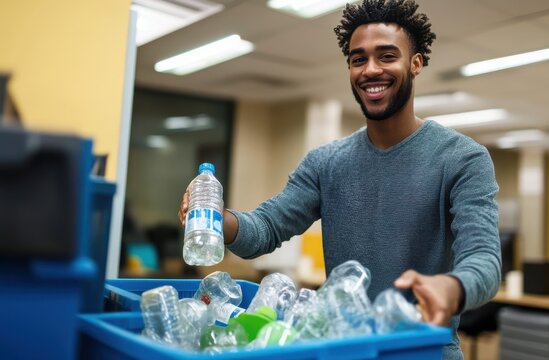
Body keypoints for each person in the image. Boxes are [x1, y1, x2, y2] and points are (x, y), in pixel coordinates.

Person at [179, 0, 501, 358]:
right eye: (358, 59)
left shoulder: (462, 158)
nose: (370, 70)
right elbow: (267, 228)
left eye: (387, 56)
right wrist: (218, 220)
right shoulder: (326, 163)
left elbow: (484, 260)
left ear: (416, 63)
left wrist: (451, 287)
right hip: (343, 349)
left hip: (422, 350)